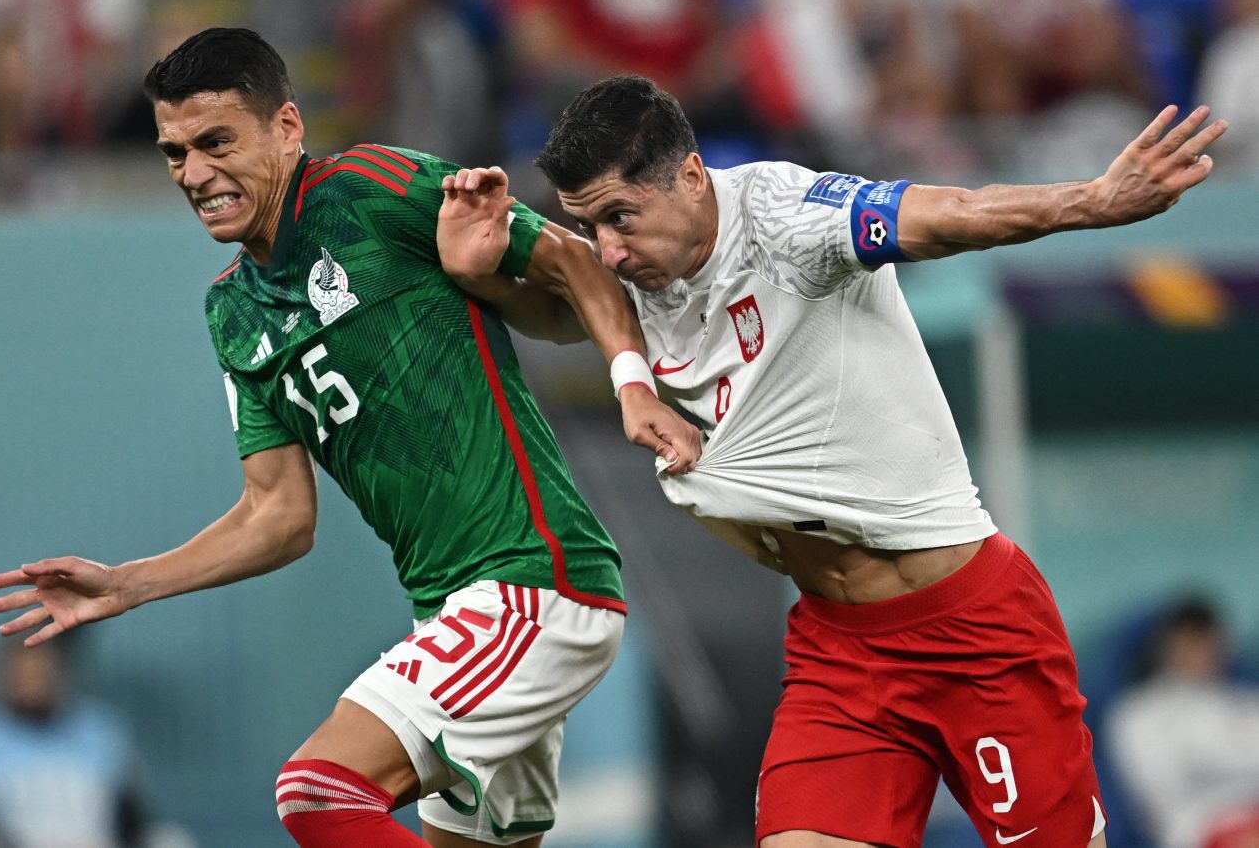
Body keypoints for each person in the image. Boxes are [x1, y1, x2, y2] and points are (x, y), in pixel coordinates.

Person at [437, 74, 1227, 848]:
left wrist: (1093, 200)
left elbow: (946, 214)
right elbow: (558, 299)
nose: (608, 250)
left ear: (688, 176)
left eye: (620, 218)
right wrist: (475, 270)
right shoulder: (641, 271)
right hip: (840, 652)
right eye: (591, 225)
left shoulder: (785, 219)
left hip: (972, 628)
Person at [0, 29, 700, 848]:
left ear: (287, 127)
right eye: (175, 152)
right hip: (455, 612)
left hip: (530, 583)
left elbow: (573, 262)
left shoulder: (366, 188)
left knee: (318, 789)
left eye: (217, 142)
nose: (195, 174)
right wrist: (125, 585)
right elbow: (279, 515)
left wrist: (631, 383)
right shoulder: (232, 312)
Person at [0, 634, 150, 848]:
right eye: (23, 668)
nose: (33, 678)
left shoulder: (100, 731)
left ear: (61, 669)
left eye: (41, 666)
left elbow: (129, 817)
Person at [1106, 598, 1259, 848]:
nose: (1200, 652)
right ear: (1166, 646)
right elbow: (1159, 800)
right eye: (1189, 642)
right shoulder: (1138, 714)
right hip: (1197, 829)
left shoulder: (1246, 703)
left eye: (1206, 641)